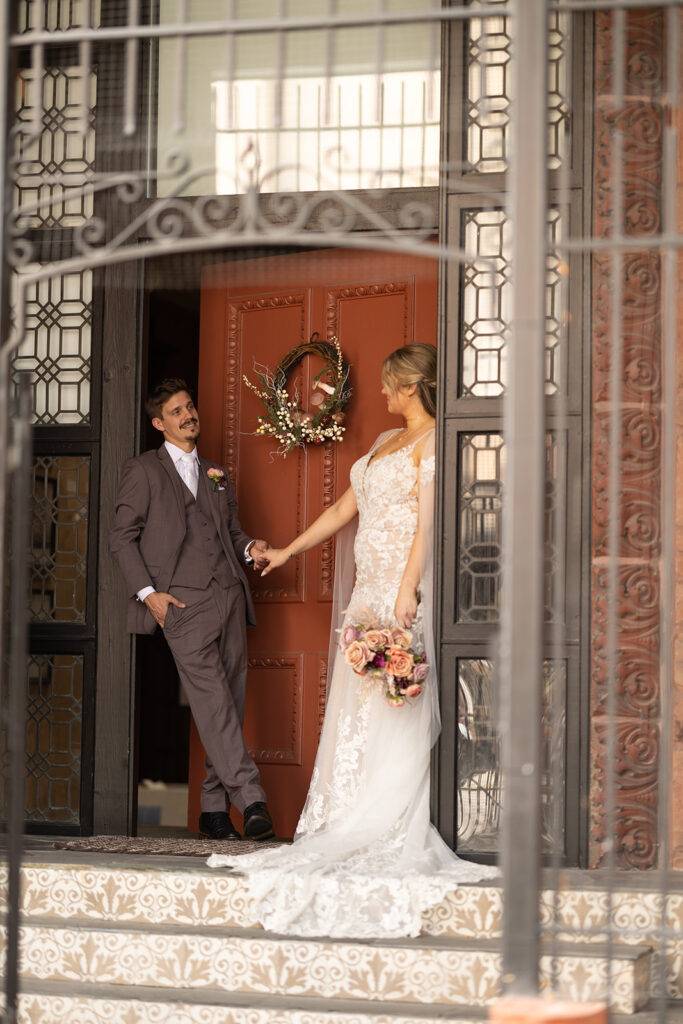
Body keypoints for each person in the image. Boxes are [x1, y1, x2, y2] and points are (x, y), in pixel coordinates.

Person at [207, 344, 498, 937]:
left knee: (394, 698)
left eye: (392, 387)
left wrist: (409, 588)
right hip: (367, 590)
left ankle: (383, 819)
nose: (384, 395)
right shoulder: (380, 445)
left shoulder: (435, 441)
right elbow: (346, 506)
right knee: (357, 704)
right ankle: (345, 810)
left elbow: (428, 523)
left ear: (412, 388)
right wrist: (287, 550)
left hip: (398, 588)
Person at [109, 378, 274, 842]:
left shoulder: (216, 473)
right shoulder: (142, 470)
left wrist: (251, 550)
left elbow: (232, 535)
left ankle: (213, 811)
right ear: (160, 424)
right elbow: (120, 538)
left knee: (229, 703)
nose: (188, 415)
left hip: (229, 596)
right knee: (214, 702)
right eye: (176, 411)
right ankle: (251, 798)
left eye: (190, 406)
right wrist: (148, 594)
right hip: (181, 604)